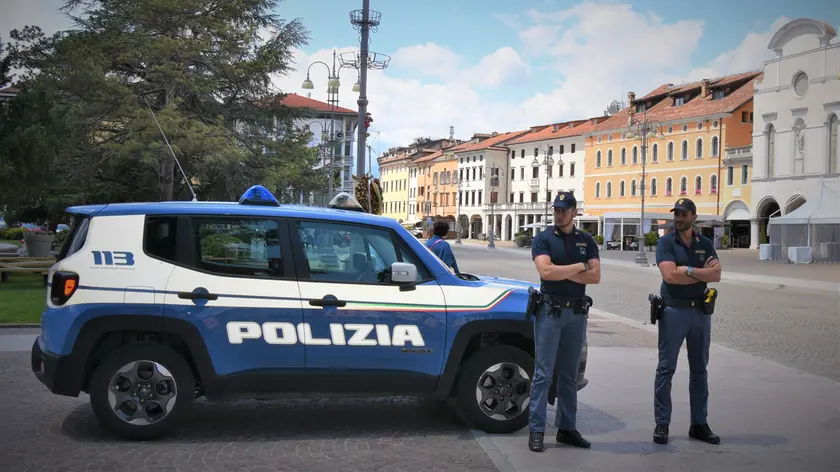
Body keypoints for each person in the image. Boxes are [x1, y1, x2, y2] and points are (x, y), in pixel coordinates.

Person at [527, 191, 600, 452]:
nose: (559, 214)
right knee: (543, 373)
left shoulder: (586, 240)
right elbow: (546, 271)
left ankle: (567, 429)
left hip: (576, 314)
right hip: (550, 311)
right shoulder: (544, 238)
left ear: (574, 212)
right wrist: (580, 267)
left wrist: (564, 272)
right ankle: (536, 429)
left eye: (564, 210)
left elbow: (596, 277)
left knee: (569, 375)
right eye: (556, 210)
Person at [653, 198, 722, 445]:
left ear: (693, 216)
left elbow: (716, 275)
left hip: (700, 314)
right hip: (674, 311)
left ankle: (699, 424)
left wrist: (689, 271)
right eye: (677, 214)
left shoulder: (704, 243)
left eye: (683, 214)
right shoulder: (665, 242)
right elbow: (670, 276)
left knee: (699, 370)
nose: (678, 218)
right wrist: (697, 273)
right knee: (666, 368)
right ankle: (662, 424)